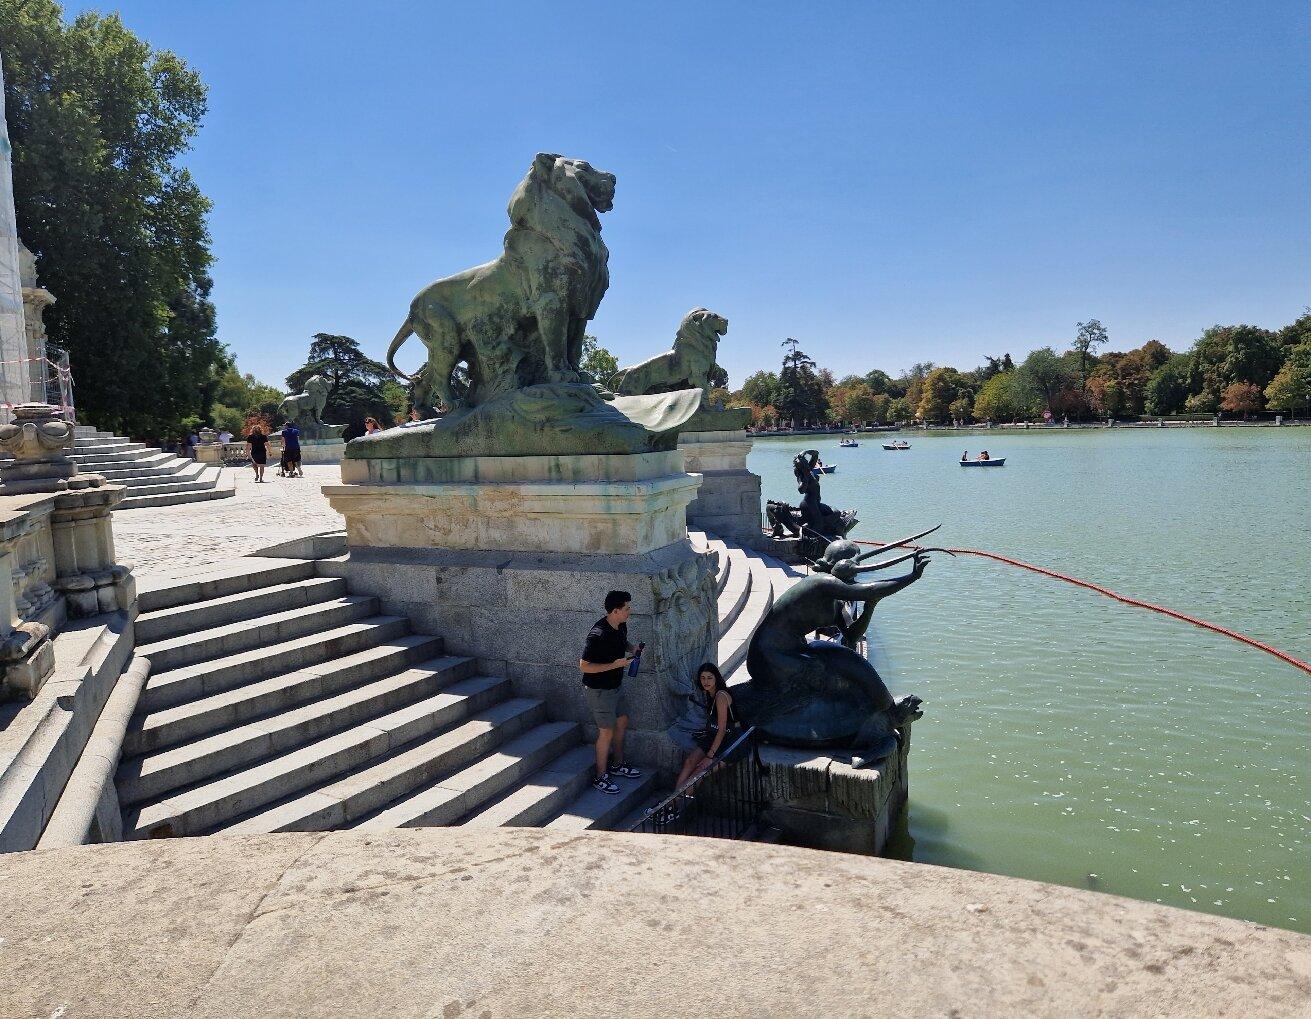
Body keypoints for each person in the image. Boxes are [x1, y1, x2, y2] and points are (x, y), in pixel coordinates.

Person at [579, 590, 643, 794]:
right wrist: (615, 664)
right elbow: (584, 666)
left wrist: (632, 649)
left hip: (616, 686)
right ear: (615, 611)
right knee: (606, 732)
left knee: (622, 720)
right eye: (627, 608)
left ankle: (618, 764)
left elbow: (622, 641)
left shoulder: (620, 624)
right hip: (599, 691)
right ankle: (600, 776)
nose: (629, 612)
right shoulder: (598, 635)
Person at [672, 663, 739, 790]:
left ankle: (673, 806)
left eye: (709, 677)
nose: (706, 681)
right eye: (703, 678)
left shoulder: (720, 696)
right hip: (714, 735)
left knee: (699, 773)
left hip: (730, 739)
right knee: (689, 762)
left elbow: (722, 729)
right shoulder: (710, 694)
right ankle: (673, 802)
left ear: (716, 678)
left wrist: (709, 757)